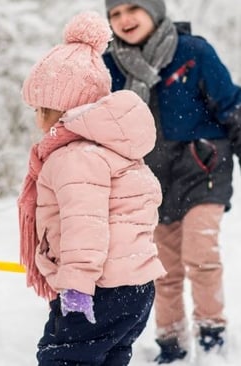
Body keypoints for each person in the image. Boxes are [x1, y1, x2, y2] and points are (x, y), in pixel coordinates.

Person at [18, 10, 166, 366]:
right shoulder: (119, 149)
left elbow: (86, 224)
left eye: (41, 108)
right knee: (108, 356)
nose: (36, 118)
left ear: (61, 110)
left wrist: (78, 284)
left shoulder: (73, 156)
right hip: (135, 287)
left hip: (99, 289)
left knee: (64, 359)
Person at [103, 0, 241, 363]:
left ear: (155, 11)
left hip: (204, 166)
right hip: (150, 181)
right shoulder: (110, 65)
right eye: (115, 14)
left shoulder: (192, 51)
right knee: (162, 268)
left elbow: (230, 105)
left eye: (134, 8)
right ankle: (171, 342)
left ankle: (212, 333)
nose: (124, 19)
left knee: (200, 254)